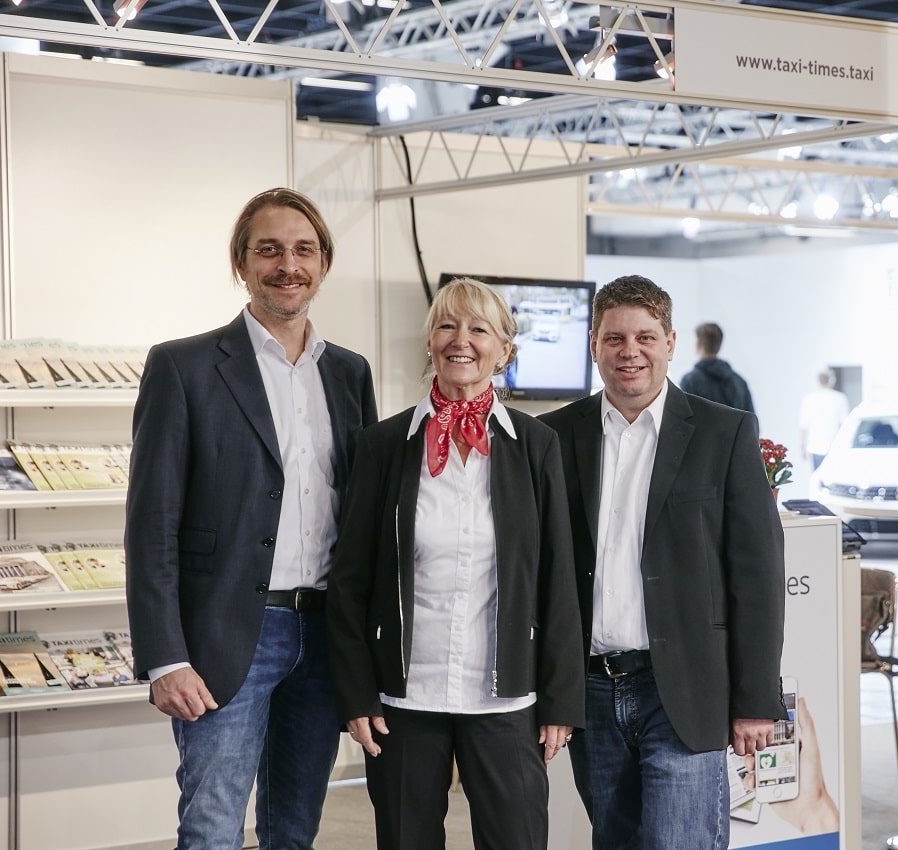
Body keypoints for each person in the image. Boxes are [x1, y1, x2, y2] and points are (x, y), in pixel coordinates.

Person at [124, 187, 378, 850]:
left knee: (295, 833)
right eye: (268, 250)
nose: (287, 265)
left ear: (323, 264)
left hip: (325, 637)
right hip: (226, 636)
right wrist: (164, 657)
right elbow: (151, 526)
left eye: (303, 250)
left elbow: (364, 517)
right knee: (211, 830)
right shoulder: (183, 366)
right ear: (241, 263)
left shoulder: (349, 373)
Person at [326, 277, 585, 850]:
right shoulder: (383, 444)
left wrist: (561, 699)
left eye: (478, 329)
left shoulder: (537, 445)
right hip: (403, 698)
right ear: (429, 341)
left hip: (506, 698)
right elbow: (349, 582)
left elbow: (558, 579)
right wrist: (356, 693)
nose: (460, 339)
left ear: (505, 349)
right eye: (446, 325)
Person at [538, 274, 785, 850]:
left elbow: (757, 577)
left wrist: (755, 700)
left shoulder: (724, 432)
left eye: (645, 337)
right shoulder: (554, 436)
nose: (630, 352)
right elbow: (542, 570)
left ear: (670, 343)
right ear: (594, 345)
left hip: (685, 690)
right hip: (593, 692)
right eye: (615, 338)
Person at [679, 321, 755, 413]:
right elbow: (751, 420)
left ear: (698, 344)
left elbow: (683, 419)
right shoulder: (740, 382)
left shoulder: (689, 381)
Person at [799, 370, 850, 470]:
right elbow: (845, 424)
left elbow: (803, 426)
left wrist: (802, 447)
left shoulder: (809, 399)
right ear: (832, 380)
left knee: (817, 476)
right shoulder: (840, 398)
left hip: (815, 446)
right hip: (834, 446)